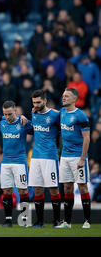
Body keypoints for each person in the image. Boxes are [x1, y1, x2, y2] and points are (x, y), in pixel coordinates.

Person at [56, 88, 91, 229]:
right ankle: (67, 222)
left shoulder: (81, 116)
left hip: (78, 157)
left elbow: (87, 138)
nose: (63, 98)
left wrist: (82, 159)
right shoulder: (62, 112)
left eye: (67, 96)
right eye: (63, 95)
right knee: (67, 187)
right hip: (64, 157)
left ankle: (87, 221)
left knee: (82, 187)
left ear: (75, 99)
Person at [28, 89, 62, 228]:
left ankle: (57, 220)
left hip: (50, 156)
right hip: (35, 157)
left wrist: (60, 149)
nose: (36, 105)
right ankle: (39, 221)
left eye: (38, 102)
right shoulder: (33, 113)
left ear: (45, 101)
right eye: (34, 102)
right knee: (38, 190)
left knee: (53, 189)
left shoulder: (55, 115)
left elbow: (63, 132)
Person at [0, 101, 33, 227]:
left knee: (23, 191)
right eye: (5, 114)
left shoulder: (23, 123)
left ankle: (25, 219)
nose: (7, 117)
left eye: (10, 114)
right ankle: (8, 220)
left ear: (16, 112)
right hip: (5, 162)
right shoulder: (1, 122)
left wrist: (27, 119)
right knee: (6, 191)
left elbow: (35, 131)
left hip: (20, 162)